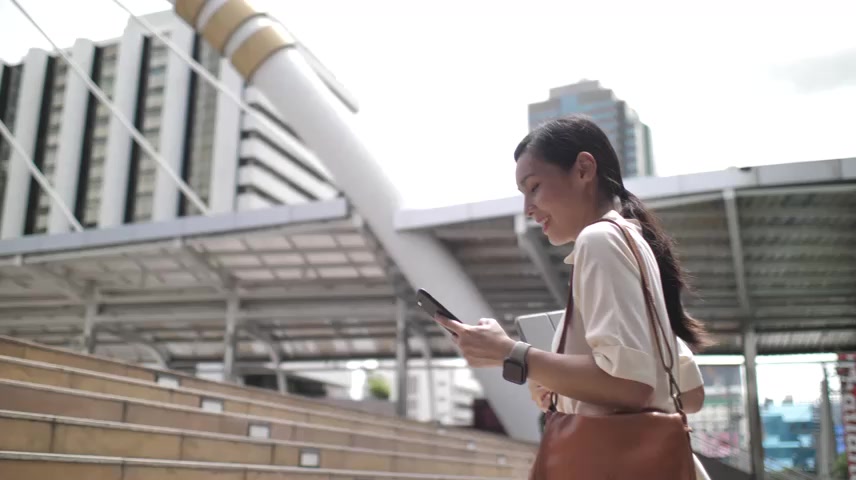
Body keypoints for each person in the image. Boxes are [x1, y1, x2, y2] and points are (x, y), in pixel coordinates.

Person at [434, 115, 711, 479]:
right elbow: (689, 395)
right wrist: (563, 386)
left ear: (583, 169)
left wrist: (510, 353)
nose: (527, 209)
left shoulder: (599, 241)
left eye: (533, 187)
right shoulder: (635, 243)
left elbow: (630, 387)